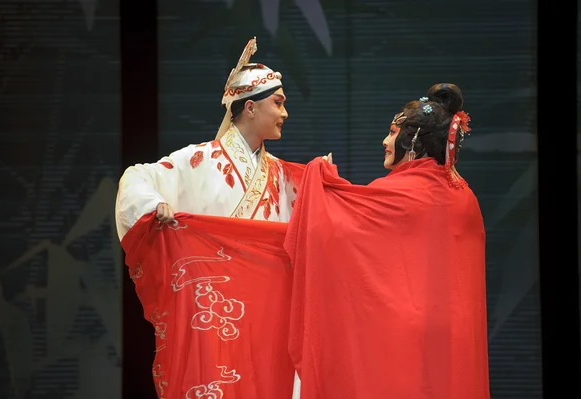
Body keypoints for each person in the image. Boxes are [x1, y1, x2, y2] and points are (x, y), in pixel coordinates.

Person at [116, 37, 318, 399]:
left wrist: (324, 183)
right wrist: (151, 204)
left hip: (268, 312)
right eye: (279, 102)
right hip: (213, 312)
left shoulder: (287, 176)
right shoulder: (197, 161)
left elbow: (320, 212)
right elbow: (137, 177)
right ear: (251, 108)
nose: (285, 113)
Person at [284, 83, 490, 398]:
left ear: (414, 139)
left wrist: (320, 177)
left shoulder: (401, 193)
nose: (385, 140)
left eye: (392, 132)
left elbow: (332, 233)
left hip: (406, 337)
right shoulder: (465, 196)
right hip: (456, 335)